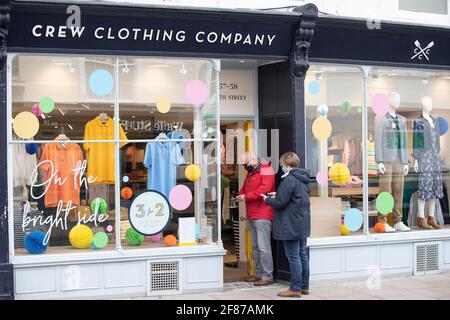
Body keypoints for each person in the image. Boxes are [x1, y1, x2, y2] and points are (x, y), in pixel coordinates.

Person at [262, 152, 311, 298]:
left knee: (293, 256)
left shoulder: (289, 180)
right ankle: (304, 286)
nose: (281, 167)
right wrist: (277, 194)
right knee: (302, 254)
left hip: (290, 224)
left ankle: (295, 288)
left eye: (281, 164)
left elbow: (280, 203)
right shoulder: (303, 179)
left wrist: (266, 199)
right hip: (301, 223)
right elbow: (293, 198)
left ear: (286, 164)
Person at [235, 152, 275, 286]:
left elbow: (264, 189)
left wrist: (246, 197)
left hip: (263, 213)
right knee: (255, 247)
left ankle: (267, 276)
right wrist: (240, 195)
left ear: (254, 160)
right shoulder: (251, 173)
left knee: (263, 247)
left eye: (246, 163)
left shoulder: (267, 170)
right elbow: (244, 188)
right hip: (251, 213)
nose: (244, 166)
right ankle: (258, 274)